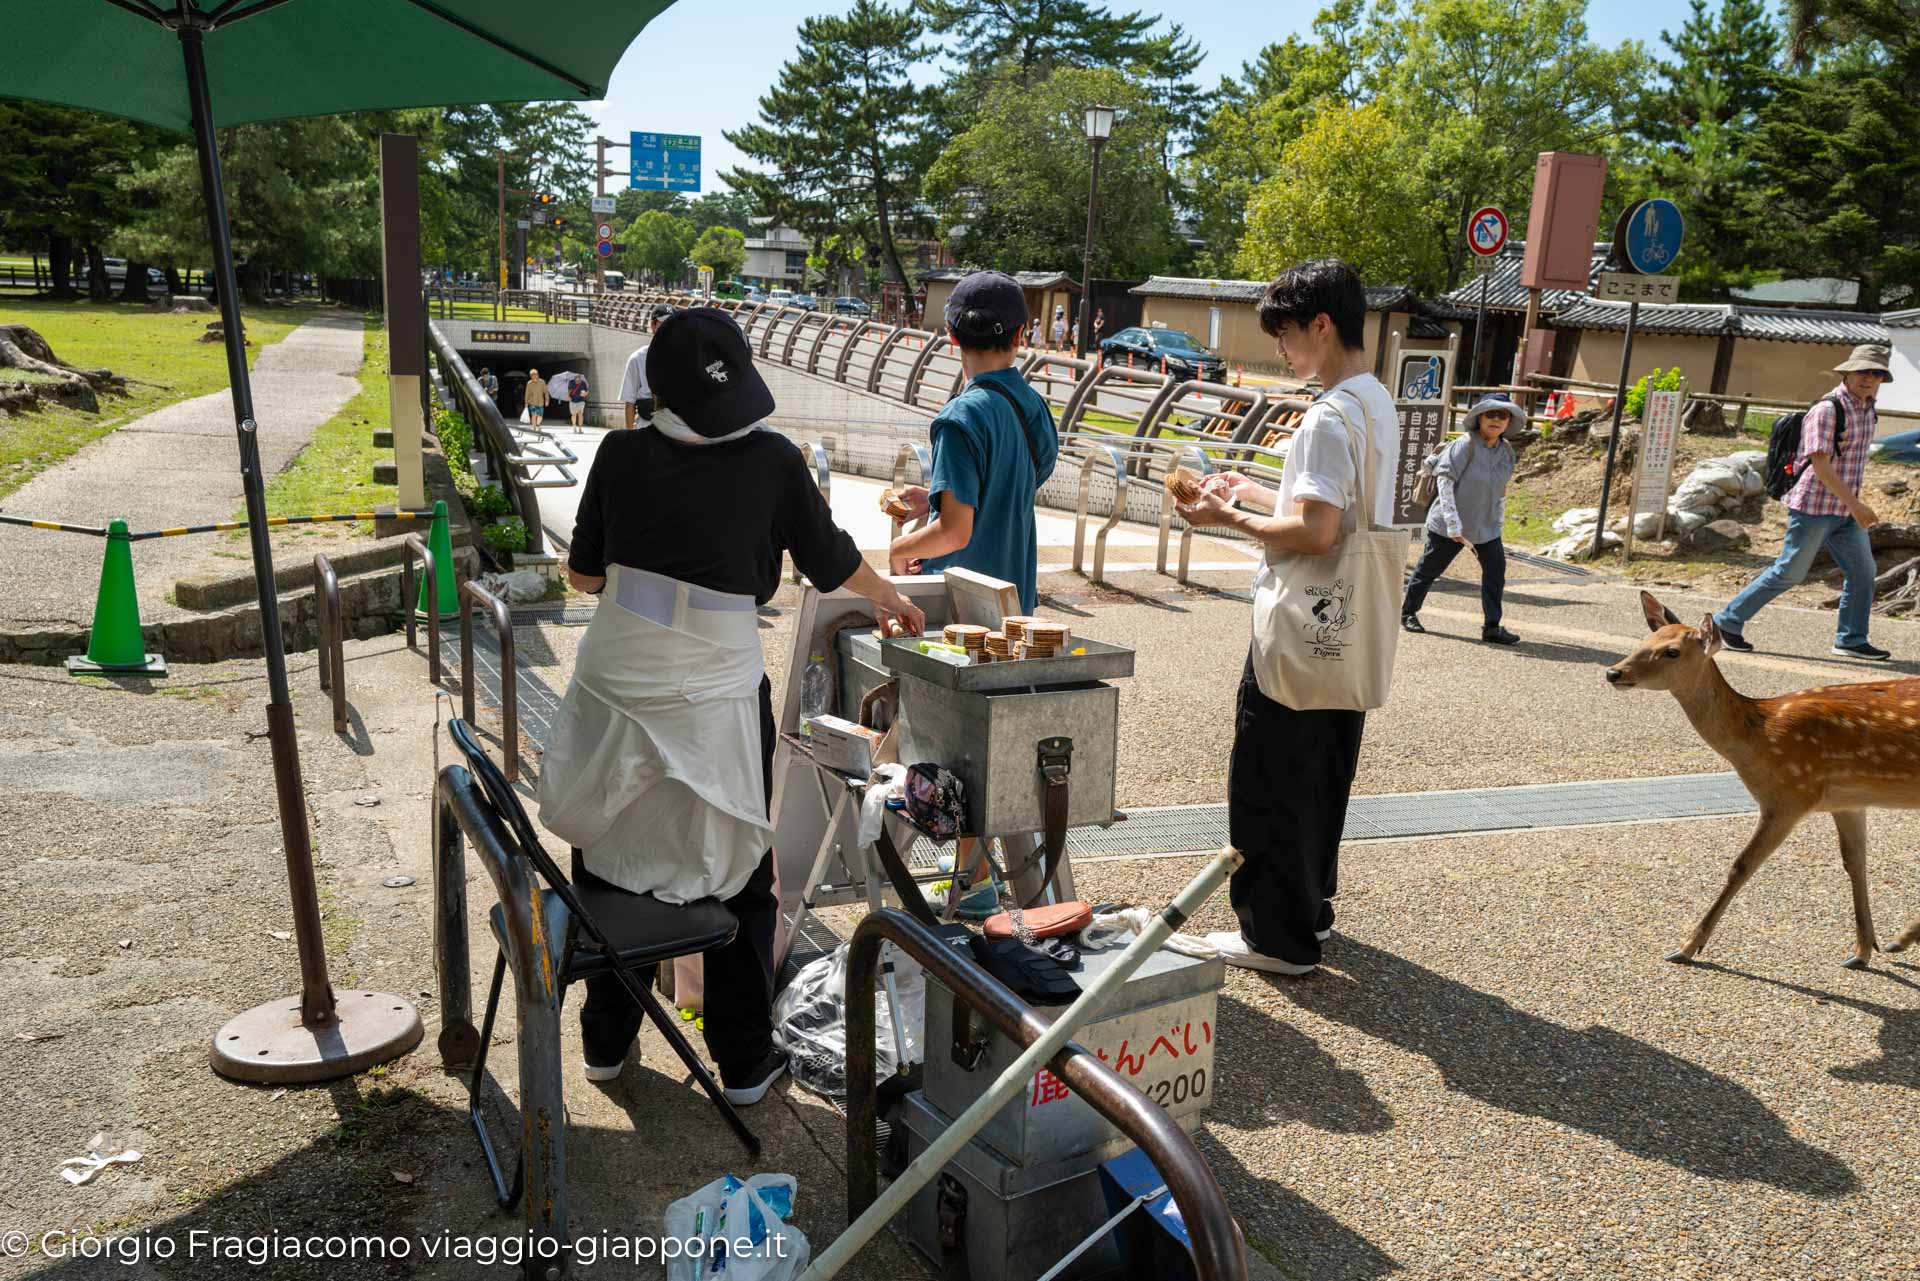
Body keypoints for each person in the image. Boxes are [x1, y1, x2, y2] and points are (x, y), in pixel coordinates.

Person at [538, 308, 924, 1103]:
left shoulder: (617, 451)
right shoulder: (777, 462)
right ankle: (744, 1061)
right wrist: (887, 596)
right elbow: (832, 560)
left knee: (612, 848)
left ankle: (606, 1043)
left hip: (619, 680)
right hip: (719, 686)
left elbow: (581, 578)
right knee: (742, 869)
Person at [1174, 259, 1399, 976]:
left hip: (1303, 621)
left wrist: (1225, 513)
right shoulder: (1374, 401)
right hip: (1351, 624)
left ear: (1321, 325)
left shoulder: (1327, 417)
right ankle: (1312, 909)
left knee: (1269, 774)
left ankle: (1275, 935)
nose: (1280, 349)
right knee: (1326, 767)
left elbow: (1317, 532)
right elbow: (1334, 510)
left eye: (1286, 334)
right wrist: (1260, 488)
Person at [883, 270, 1060, 918]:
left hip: (965, 615)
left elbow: (957, 527)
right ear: (1021, 335)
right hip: (1019, 610)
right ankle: (975, 879)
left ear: (949, 334)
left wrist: (902, 547)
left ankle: (963, 878)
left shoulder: (957, 417)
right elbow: (1020, 477)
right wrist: (929, 496)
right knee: (992, 749)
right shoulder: (1029, 405)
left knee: (949, 749)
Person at [1710, 344, 1892, 660]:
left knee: (1863, 573)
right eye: (1863, 370)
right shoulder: (1827, 409)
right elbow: (1821, 465)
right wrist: (1856, 505)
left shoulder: (1867, 408)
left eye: (1876, 373)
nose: (1869, 378)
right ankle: (1726, 622)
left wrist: (1851, 506)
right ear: (1847, 371)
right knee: (1789, 573)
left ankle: (1850, 639)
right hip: (1814, 508)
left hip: (1844, 511)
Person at [1399, 395, 1522, 644]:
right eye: (1491, 414)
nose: (1496, 420)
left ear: (1509, 422)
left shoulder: (1507, 451)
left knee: (1495, 573)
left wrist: (1499, 520)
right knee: (1429, 570)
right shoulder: (1466, 444)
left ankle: (1492, 626)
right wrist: (1453, 524)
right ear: (1479, 418)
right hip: (1448, 525)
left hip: (1485, 527)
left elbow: (1501, 490)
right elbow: (1445, 483)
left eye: (1503, 415)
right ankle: (1408, 613)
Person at [618, 305, 676, 429]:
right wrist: (630, 437)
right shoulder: (637, 358)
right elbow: (630, 402)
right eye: (664, 323)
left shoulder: (684, 357)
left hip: (676, 431)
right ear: (653, 325)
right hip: (646, 428)